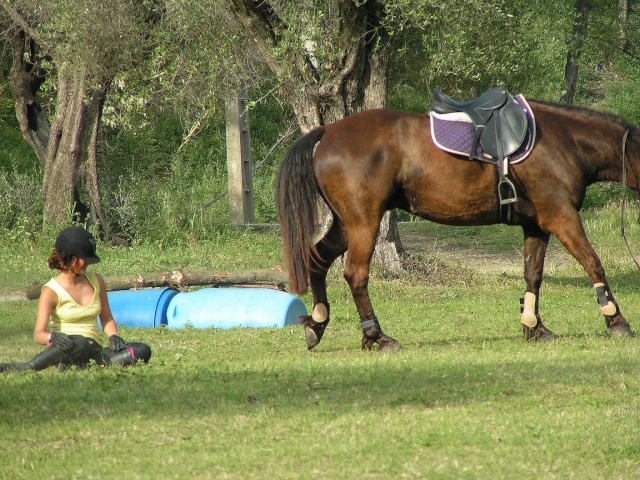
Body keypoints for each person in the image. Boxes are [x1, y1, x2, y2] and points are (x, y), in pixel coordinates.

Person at [0, 226, 151, 373]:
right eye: (84, 259)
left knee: (142, 350)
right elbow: (38, 334)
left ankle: (93, 365)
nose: (88, 263)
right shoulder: (50, 291)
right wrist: (53, 337)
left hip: (93, 350)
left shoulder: (96, 281)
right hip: (68, 347)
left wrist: (113, 336)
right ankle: (27, 367)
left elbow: (106, 317)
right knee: (80, 341)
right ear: (69, 257)